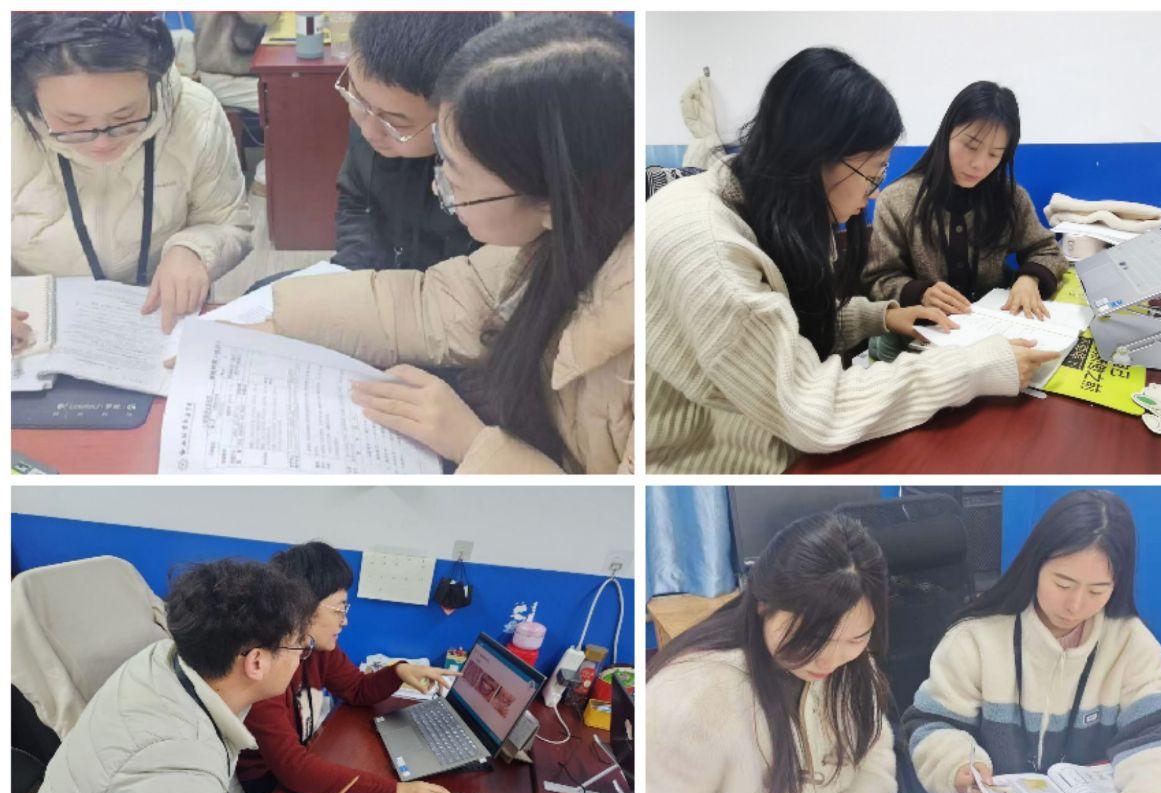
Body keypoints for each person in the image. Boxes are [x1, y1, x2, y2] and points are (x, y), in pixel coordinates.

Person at [646, 48, 1056, 475]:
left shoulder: (778, 204)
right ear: (816, 155)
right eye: (873, 173)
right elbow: (811, 411)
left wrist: (881, 316)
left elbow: (786, 323)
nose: (874, 192)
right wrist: (973, 366)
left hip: (783, 431)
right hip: (736, 459)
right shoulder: (712, 248)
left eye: (995, 154)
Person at [258, 14, 634, 474]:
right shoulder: (557, 235)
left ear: (551, 200)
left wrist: (470, 442)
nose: (442, 188)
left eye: (455, 176)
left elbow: (611, 511)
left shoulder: (651, 355)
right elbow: (435, 304)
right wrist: (277, 323)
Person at [11, 560, 344, 793]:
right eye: (298, 646)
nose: (301, 656)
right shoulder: (174, 759)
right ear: (256, 662)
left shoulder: (166, 660)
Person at [901, 491, 1161, 793]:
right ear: (1036, 565)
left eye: (1097, 590)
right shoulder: (975, 638)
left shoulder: (1129, 642)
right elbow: (931, 724)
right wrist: (957, 765)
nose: (1076, 605)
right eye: (1063, 583)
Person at [647, 511, 897, 793]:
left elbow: (873, 748)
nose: (830, 660)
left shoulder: (854, 668)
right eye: (812, 639)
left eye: (855, 638)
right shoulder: (693, 694)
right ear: (764, 604)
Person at [11, 13, 254, 338]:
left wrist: (194, 249)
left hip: (158, 315)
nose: (102, 142)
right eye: (72, 121)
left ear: (152, 81)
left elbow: (227, 220)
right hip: (35, 324)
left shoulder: (195, 115)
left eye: (125, 115)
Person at [238, 541, 461, 793]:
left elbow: (357, 689)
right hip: (270, 787)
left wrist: (398, 672)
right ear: (302, 608)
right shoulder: (265, 670)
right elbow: (292, 768)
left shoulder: (317, 649)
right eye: (339, 609)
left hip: (307, 757)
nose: (344, 621)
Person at [865, 81, 1069, 361]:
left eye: (994, 154)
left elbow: (1046, 250)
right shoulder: (897, 200)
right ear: (947, 133)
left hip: (992, 335)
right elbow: (878, 279)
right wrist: (921, 293)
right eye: (971, 146)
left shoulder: (1010, 197)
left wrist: (1029, 278)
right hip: (921, 342)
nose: (979, 164)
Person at [333, 12, 499, 271]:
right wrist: (353, 272)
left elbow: (483, 277)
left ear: (456, 112)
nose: (369, 131)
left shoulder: (492, 173)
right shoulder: (375, 114)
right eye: (357, 99)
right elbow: (356, 203)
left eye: (396, 124)